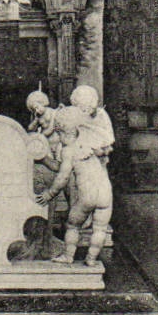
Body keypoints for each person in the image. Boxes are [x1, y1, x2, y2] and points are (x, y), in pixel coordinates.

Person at [37, 105, 113, 265]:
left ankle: (68, 256)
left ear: (63, 133)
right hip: (106, 194)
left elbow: (62, 177)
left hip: (87, 196)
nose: (59, 139)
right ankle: (91, 259)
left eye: (59, 134)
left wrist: (49, 194)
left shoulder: (68, 151)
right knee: (100, 228)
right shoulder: (93, 143)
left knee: (72, 225)